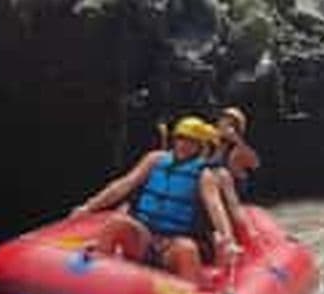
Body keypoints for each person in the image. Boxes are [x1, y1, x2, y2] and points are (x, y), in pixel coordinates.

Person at [71, 116, 238, 284]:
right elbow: (123, 185)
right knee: (116, 223)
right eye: (180, 138)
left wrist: (228, 240)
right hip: (144, 238)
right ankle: (95, 282)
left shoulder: (204, 175)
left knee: (187, 249)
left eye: (191, 141)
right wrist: (89, 207)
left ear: (200, 146)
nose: (183, 144)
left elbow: (215, 207)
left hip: (173, 245)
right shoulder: (154, 160)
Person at [210, 106, 261, 243]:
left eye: (231, 123)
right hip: (212, 195)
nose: (225, 125)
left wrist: (237, 141)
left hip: (233, 196)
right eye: (224, 121)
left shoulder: (238, 150)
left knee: (224, 174)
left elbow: (254, 164)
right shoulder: (210, 145)